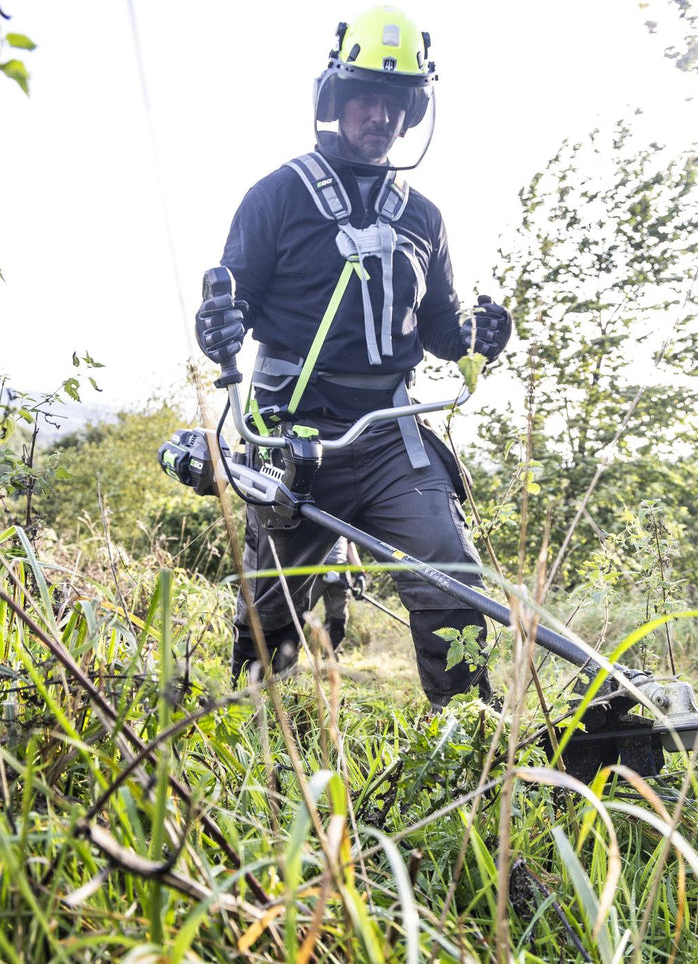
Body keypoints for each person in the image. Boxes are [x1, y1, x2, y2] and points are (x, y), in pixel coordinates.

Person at [194, 5, 511, 709]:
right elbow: (232, 300)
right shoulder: (275, 196)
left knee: (449, 572)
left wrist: (476, 338)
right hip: (293, 431)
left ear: (412, 113)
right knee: (272, 605)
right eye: (366, 97)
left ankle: (466, 738)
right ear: (334, 102)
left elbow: (438, 329)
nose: (380, 115)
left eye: (395, 103)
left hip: (388, 433)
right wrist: (215, 324)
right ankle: (257, 730)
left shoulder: (424, 217)